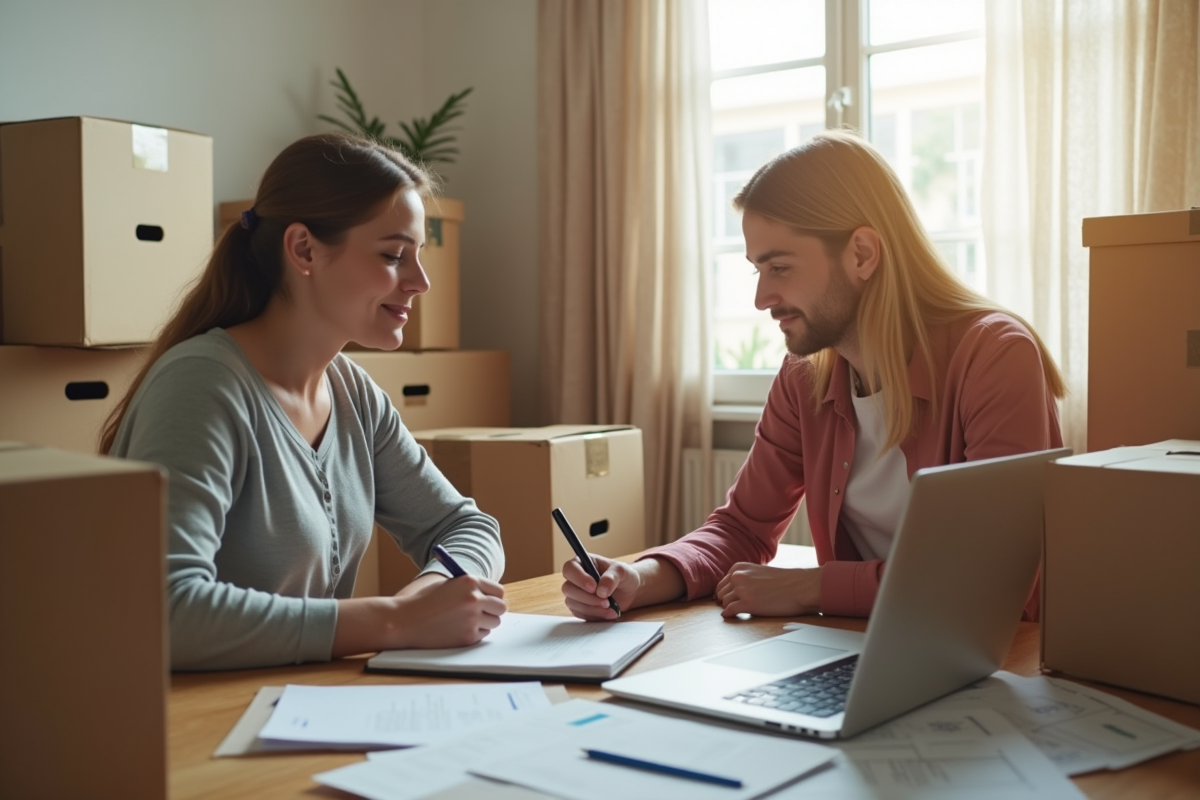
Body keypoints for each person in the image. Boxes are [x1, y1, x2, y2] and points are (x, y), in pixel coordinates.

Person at [561, 130, 1064, 623]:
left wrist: (808, 587)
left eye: (779, 268)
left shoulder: (995, 356)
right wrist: (639, 577)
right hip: (862, 649)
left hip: (994, 660)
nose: (761, 298)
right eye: (757, 270)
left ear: (862, 254)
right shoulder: (807, 375)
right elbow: (742, 527)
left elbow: (986, 575)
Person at [100, 133, 506, 670]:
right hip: (187, 729)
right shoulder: (202, 387)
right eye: (392, 255)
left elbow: (468, 528)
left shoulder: (352, 393)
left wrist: (421, 602)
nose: (421, 282)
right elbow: (165, 611)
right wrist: (393, 622)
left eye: (419, 257)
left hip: (300, 703)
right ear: (303, 249)